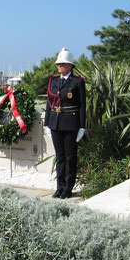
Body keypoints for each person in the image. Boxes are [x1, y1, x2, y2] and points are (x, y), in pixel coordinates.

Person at [44, 48, 86, 199]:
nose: (59, 67)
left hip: (70, 123)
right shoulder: (53, 81)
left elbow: (82, 105)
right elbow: (49, 103)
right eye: (58, 64)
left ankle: (68, 188)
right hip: (55, 123)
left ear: (70, 66)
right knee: (60, 157)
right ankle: (59, 187)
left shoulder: (77, 82)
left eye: (63, 64)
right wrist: (47, 124)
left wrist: (82, 126)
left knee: (70, 157)